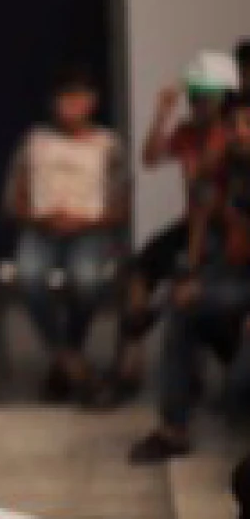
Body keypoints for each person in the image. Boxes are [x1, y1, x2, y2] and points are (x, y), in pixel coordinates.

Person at [99, 52, 239, 407]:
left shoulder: (234, 135)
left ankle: (202, 376)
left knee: (189, 291)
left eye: (206, 97)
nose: (198, 103)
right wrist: (162, 113)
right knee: (141, 269)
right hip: (193, 222)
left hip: (227, 229)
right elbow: (149, 157)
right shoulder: (188, 131)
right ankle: (129, 367)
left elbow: (211, 197)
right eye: (195, 96)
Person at [129, 92, 250, 463]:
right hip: (233, 271)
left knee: (238, 391)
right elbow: (198, 220)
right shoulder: (220, 170)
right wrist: (192, 274)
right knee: (181, 306)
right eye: (234, 125)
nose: (242, 132)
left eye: (249, 124)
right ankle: (174, 429)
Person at [4, 66, 129, 405]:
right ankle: (70, 359)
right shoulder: (35, 142)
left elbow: (122, 207)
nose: (72, 107)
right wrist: (41, 217)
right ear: (53, 103)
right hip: (41, 228)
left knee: (87, 279)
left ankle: (64, 361)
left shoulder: (109, 145)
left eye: (79, 99)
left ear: (93, 102)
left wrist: (83, 221)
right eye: (65, 99)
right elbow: (13, 200)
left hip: (90, 229)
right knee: (29, 275)